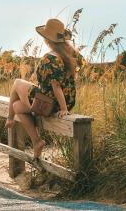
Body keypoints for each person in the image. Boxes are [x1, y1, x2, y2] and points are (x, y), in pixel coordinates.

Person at [5, 18, 86, 158]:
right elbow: (63, 82)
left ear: (48, 40)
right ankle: (37, 142)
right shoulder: (72, 55)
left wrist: (63, 109)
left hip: (47, 104)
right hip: (66, 101)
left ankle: (9, 118)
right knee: (17, 105)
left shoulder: (49, 59)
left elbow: (56, 86)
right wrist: (66, 106)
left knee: (17, 82)